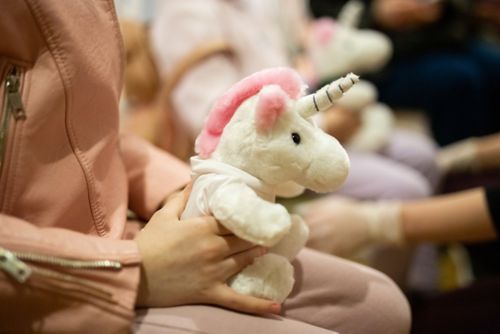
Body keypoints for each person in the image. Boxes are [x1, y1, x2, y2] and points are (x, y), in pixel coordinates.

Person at [0, 1, 410, 332]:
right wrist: (127, 272)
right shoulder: (188, 12)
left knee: (383, 308)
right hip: (52, 267)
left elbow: (90, 134)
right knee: (401, 186)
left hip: (132, 219)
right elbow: (212, 114)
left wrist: (186, 188)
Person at [149, 0, 439, 200]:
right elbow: (214, 122)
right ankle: (416, 288)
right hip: (268, 155)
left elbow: (296, 54)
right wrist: (324, 121)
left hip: (303, 116)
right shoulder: (187, 14)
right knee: (406, 189)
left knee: (424, 155)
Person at [309, 0, 500, 146]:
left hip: (443, 34)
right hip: (378, 57)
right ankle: (463, 174)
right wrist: (375, 13)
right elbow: (323, 15)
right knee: (459, 79)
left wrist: (443, 6)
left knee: (494, 66)